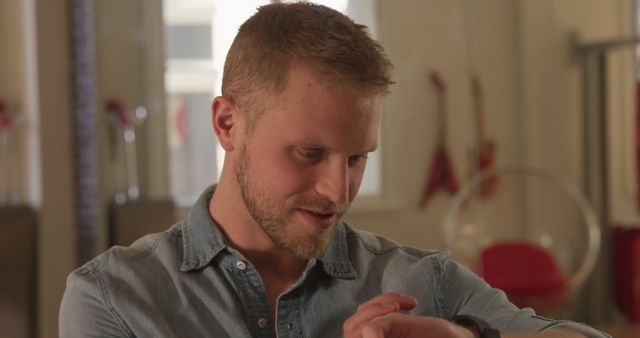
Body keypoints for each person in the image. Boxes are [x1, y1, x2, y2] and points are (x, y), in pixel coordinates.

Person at [59, 2, 610, 338]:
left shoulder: (423, 284)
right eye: (309, 154)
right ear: (228, 124)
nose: (337, 190)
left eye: (357, 157)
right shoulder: (115, 299)